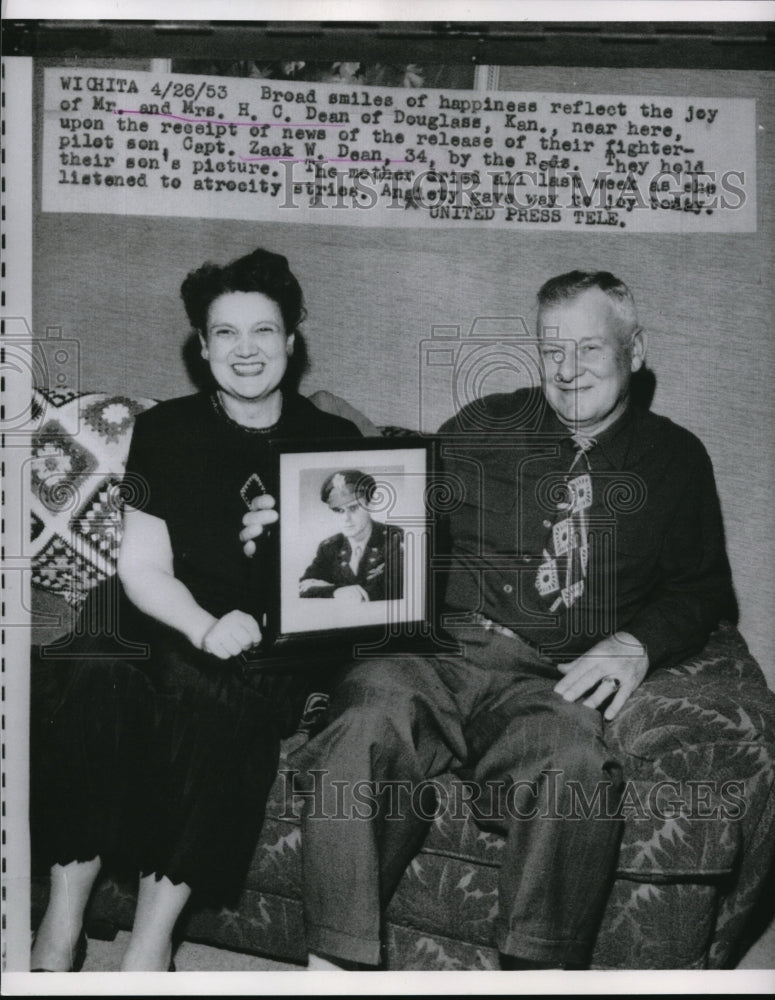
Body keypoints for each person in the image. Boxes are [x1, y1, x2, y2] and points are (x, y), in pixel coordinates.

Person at [288, 270, 736, 970]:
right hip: (436, 655)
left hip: (544, 680)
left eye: (588, 349)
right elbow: (396, 524)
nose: (566, 370)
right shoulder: (483, 425)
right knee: (365, 717)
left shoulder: (675, 460)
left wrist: (636, 644)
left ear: (634, 349)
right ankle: (334, 970)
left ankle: (534, 974)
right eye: (551, 349)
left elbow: (701, 588)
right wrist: (292, 528)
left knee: (575, 764)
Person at [29, 247, 360, 972]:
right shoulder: (165, 431)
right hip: (162, 610)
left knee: (206, 699)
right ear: (202, 346)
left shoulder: (332, 444)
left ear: (291, 342)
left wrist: (274, 578)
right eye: (227, 334)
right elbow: (142, 566)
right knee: (86, 670)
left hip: (261, 635)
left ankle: (150, 944)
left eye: (264, 331)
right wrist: (200, 624)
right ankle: (62, 918)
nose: (247, 351)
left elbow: (344, 587)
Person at [299, 469, 405, 602]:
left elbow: (397, 590)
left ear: (371, 505)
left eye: (353, 508)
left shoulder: (396, 539)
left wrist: (335, 589)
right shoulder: (330, 547)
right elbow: (303, 587)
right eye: (339, 511)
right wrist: (336, 591)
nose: (346, 518)